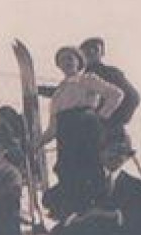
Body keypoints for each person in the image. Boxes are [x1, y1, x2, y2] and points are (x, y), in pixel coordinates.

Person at [41, 46, 131, 221]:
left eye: (70, 58)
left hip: (87, 133)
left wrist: (99, 117)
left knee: (88, 174)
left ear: (78, 61)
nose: (66, 62)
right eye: (62, 60)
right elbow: (53, 128)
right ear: (58, 65)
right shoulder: (58, 93)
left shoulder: (87, 80)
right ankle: (69, 222)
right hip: (66, 137)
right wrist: (38, 143)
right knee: (66, 173)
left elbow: (116, 94)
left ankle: (93, 219)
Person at [50, 130, 141, 235]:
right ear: (100, 151)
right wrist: (77, 215)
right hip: (83, 233)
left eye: (122, 152)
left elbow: (137, 217)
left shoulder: (135, 186)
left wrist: (111, 214)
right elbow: (55, 199)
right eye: (112, 150)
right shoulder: (82, 178)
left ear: (128, 156)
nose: (116, 156)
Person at [77, 37, 141, 135]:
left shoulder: (110, 73)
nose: (90, 52)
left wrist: (108, 120)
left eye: (95, 49)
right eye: (86, 49)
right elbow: (69, 93)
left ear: (102, 54)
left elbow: (133, 97)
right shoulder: (80, 76)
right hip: (92, 128)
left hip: (108, 131)